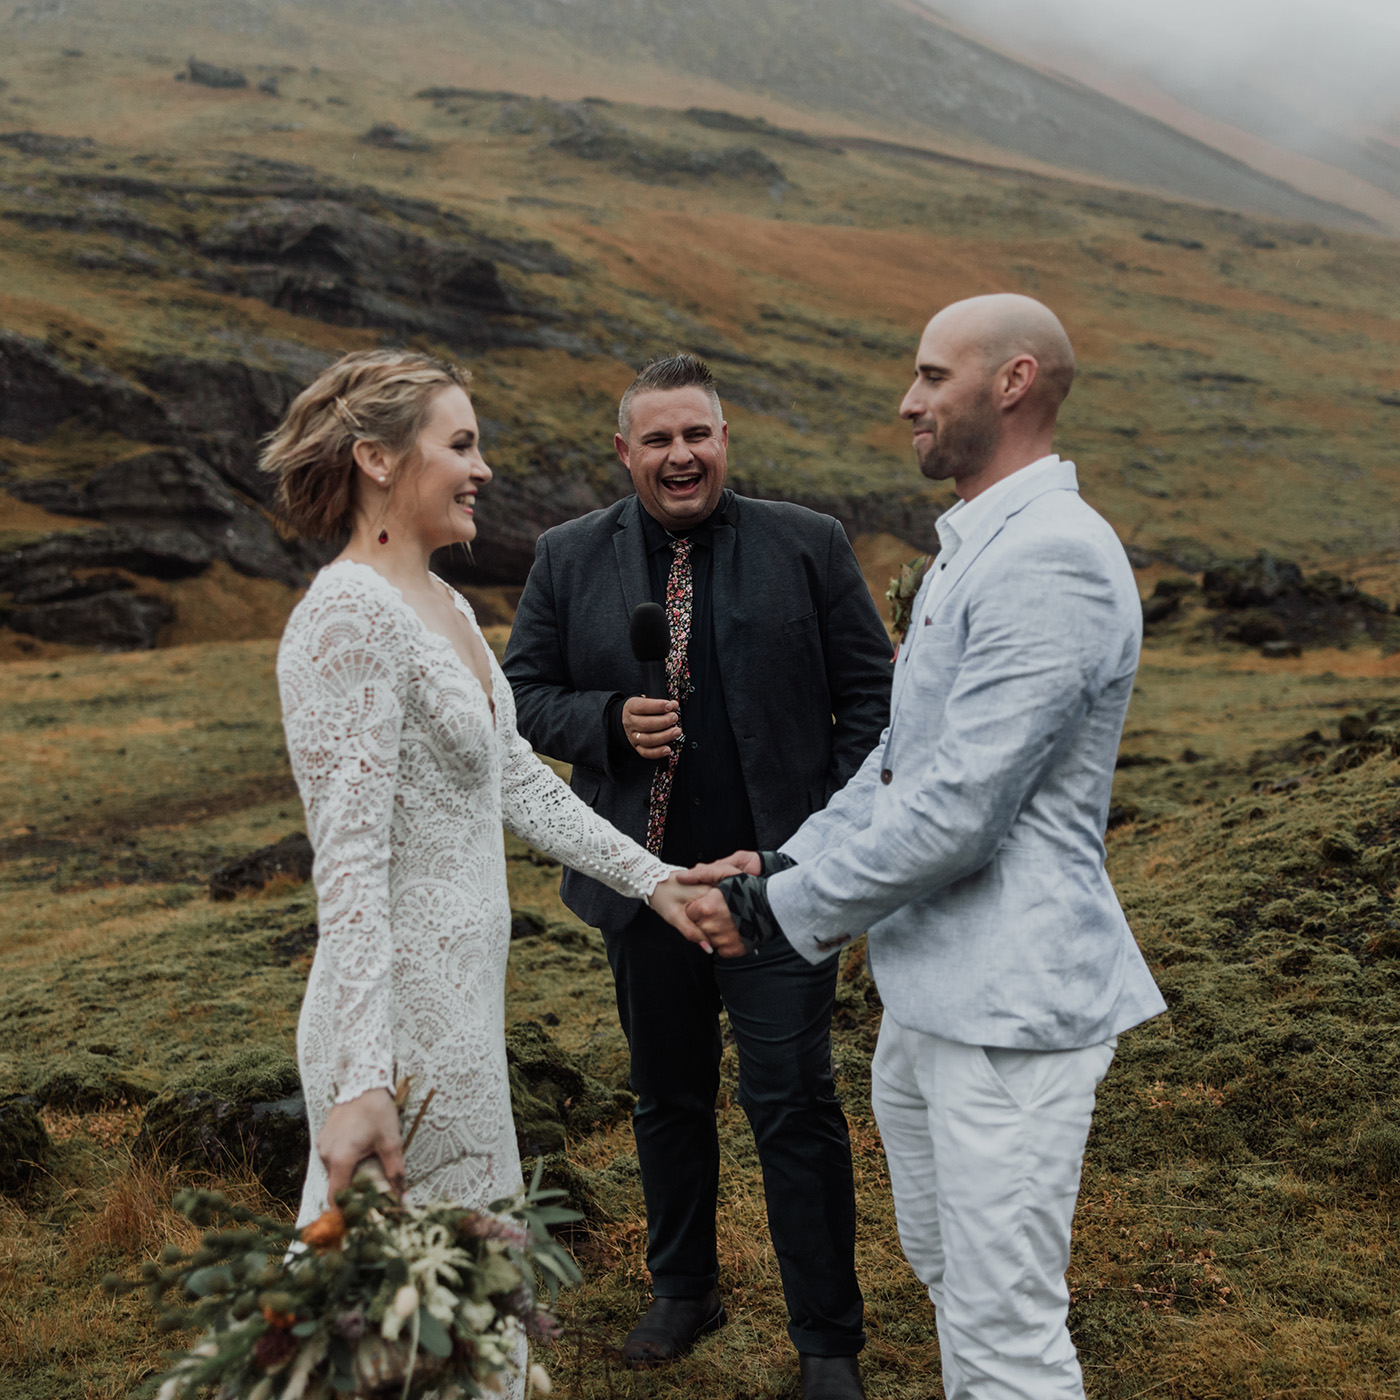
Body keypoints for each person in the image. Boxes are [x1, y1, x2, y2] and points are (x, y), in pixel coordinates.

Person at [683, 295, 1168, 1400]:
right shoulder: (974, 546)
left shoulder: (1050, 558)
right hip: (930, 1000)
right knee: (950, 1275)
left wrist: (773, 917)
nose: (908, 399)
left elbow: (961, 807)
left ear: (1012, 381)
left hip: (1007, 1009)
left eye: (931, 375)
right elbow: (901, 759)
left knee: (1005, 1327)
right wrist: (784, 862)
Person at [264, 351, 704, 1355]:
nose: (484, 469)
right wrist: (365, 1074)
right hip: (394, 1019)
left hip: (458, 1003)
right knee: (378, 1312)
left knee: (449, 1302)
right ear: (378, 457)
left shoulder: (446, 604)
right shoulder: (345, 616)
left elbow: (512, 778)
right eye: (460, 444)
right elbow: (349, 865)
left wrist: (654, 877)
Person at [502, 355, 892, 1399]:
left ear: (725, 440)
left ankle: (826, 1341)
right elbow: (520, 693)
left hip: (779, 888)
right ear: (625, 451)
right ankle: (682, 1288)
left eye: (699, 434)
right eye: (659, 438)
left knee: (792, 1102)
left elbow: (872, 704)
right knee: (665, 1095)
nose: (682, 455)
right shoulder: (566, 555)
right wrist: (602, 723)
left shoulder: (808, 544)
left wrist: (811, 852)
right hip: (643, 887)